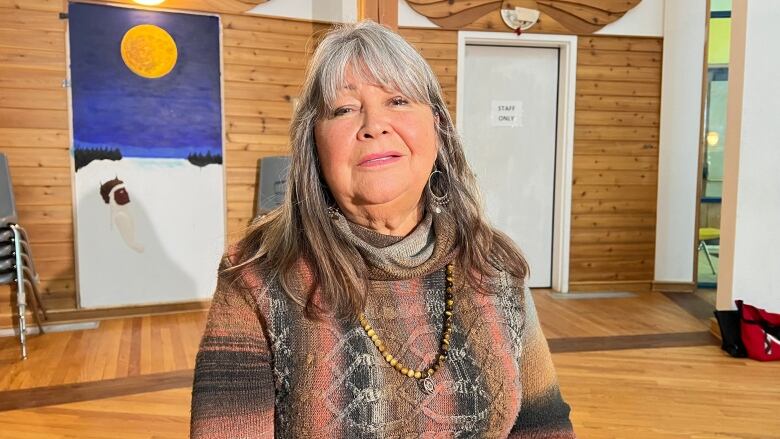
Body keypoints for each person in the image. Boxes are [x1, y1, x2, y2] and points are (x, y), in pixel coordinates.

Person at [190, 20, 575, 438]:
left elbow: (543, 423)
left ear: (439, 131)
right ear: (313, 146)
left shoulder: (493, 261)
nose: (374, 124)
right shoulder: (256, 275)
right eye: (344, 109)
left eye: (397, 100)